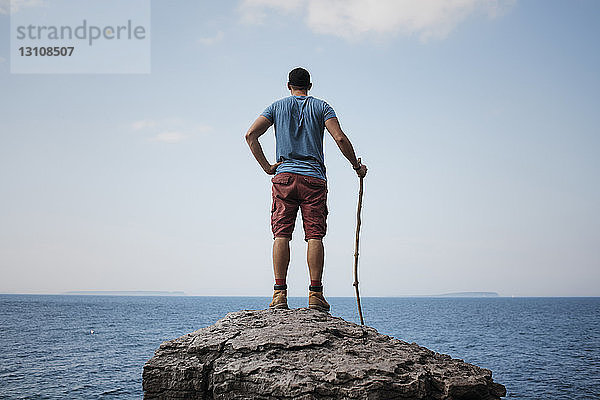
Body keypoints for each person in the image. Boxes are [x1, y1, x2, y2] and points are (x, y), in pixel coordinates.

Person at [245, 67, 367, 312]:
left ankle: (279, 295)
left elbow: (250, 135)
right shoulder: (322, 107)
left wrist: (268, 167)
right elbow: (340, 138)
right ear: (309, 86)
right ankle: (315, 295)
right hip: (314, 179)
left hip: (284, 177)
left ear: (288, 86)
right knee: (314, 235)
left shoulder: (275, 107)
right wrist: (356, 166)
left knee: (281, 234)